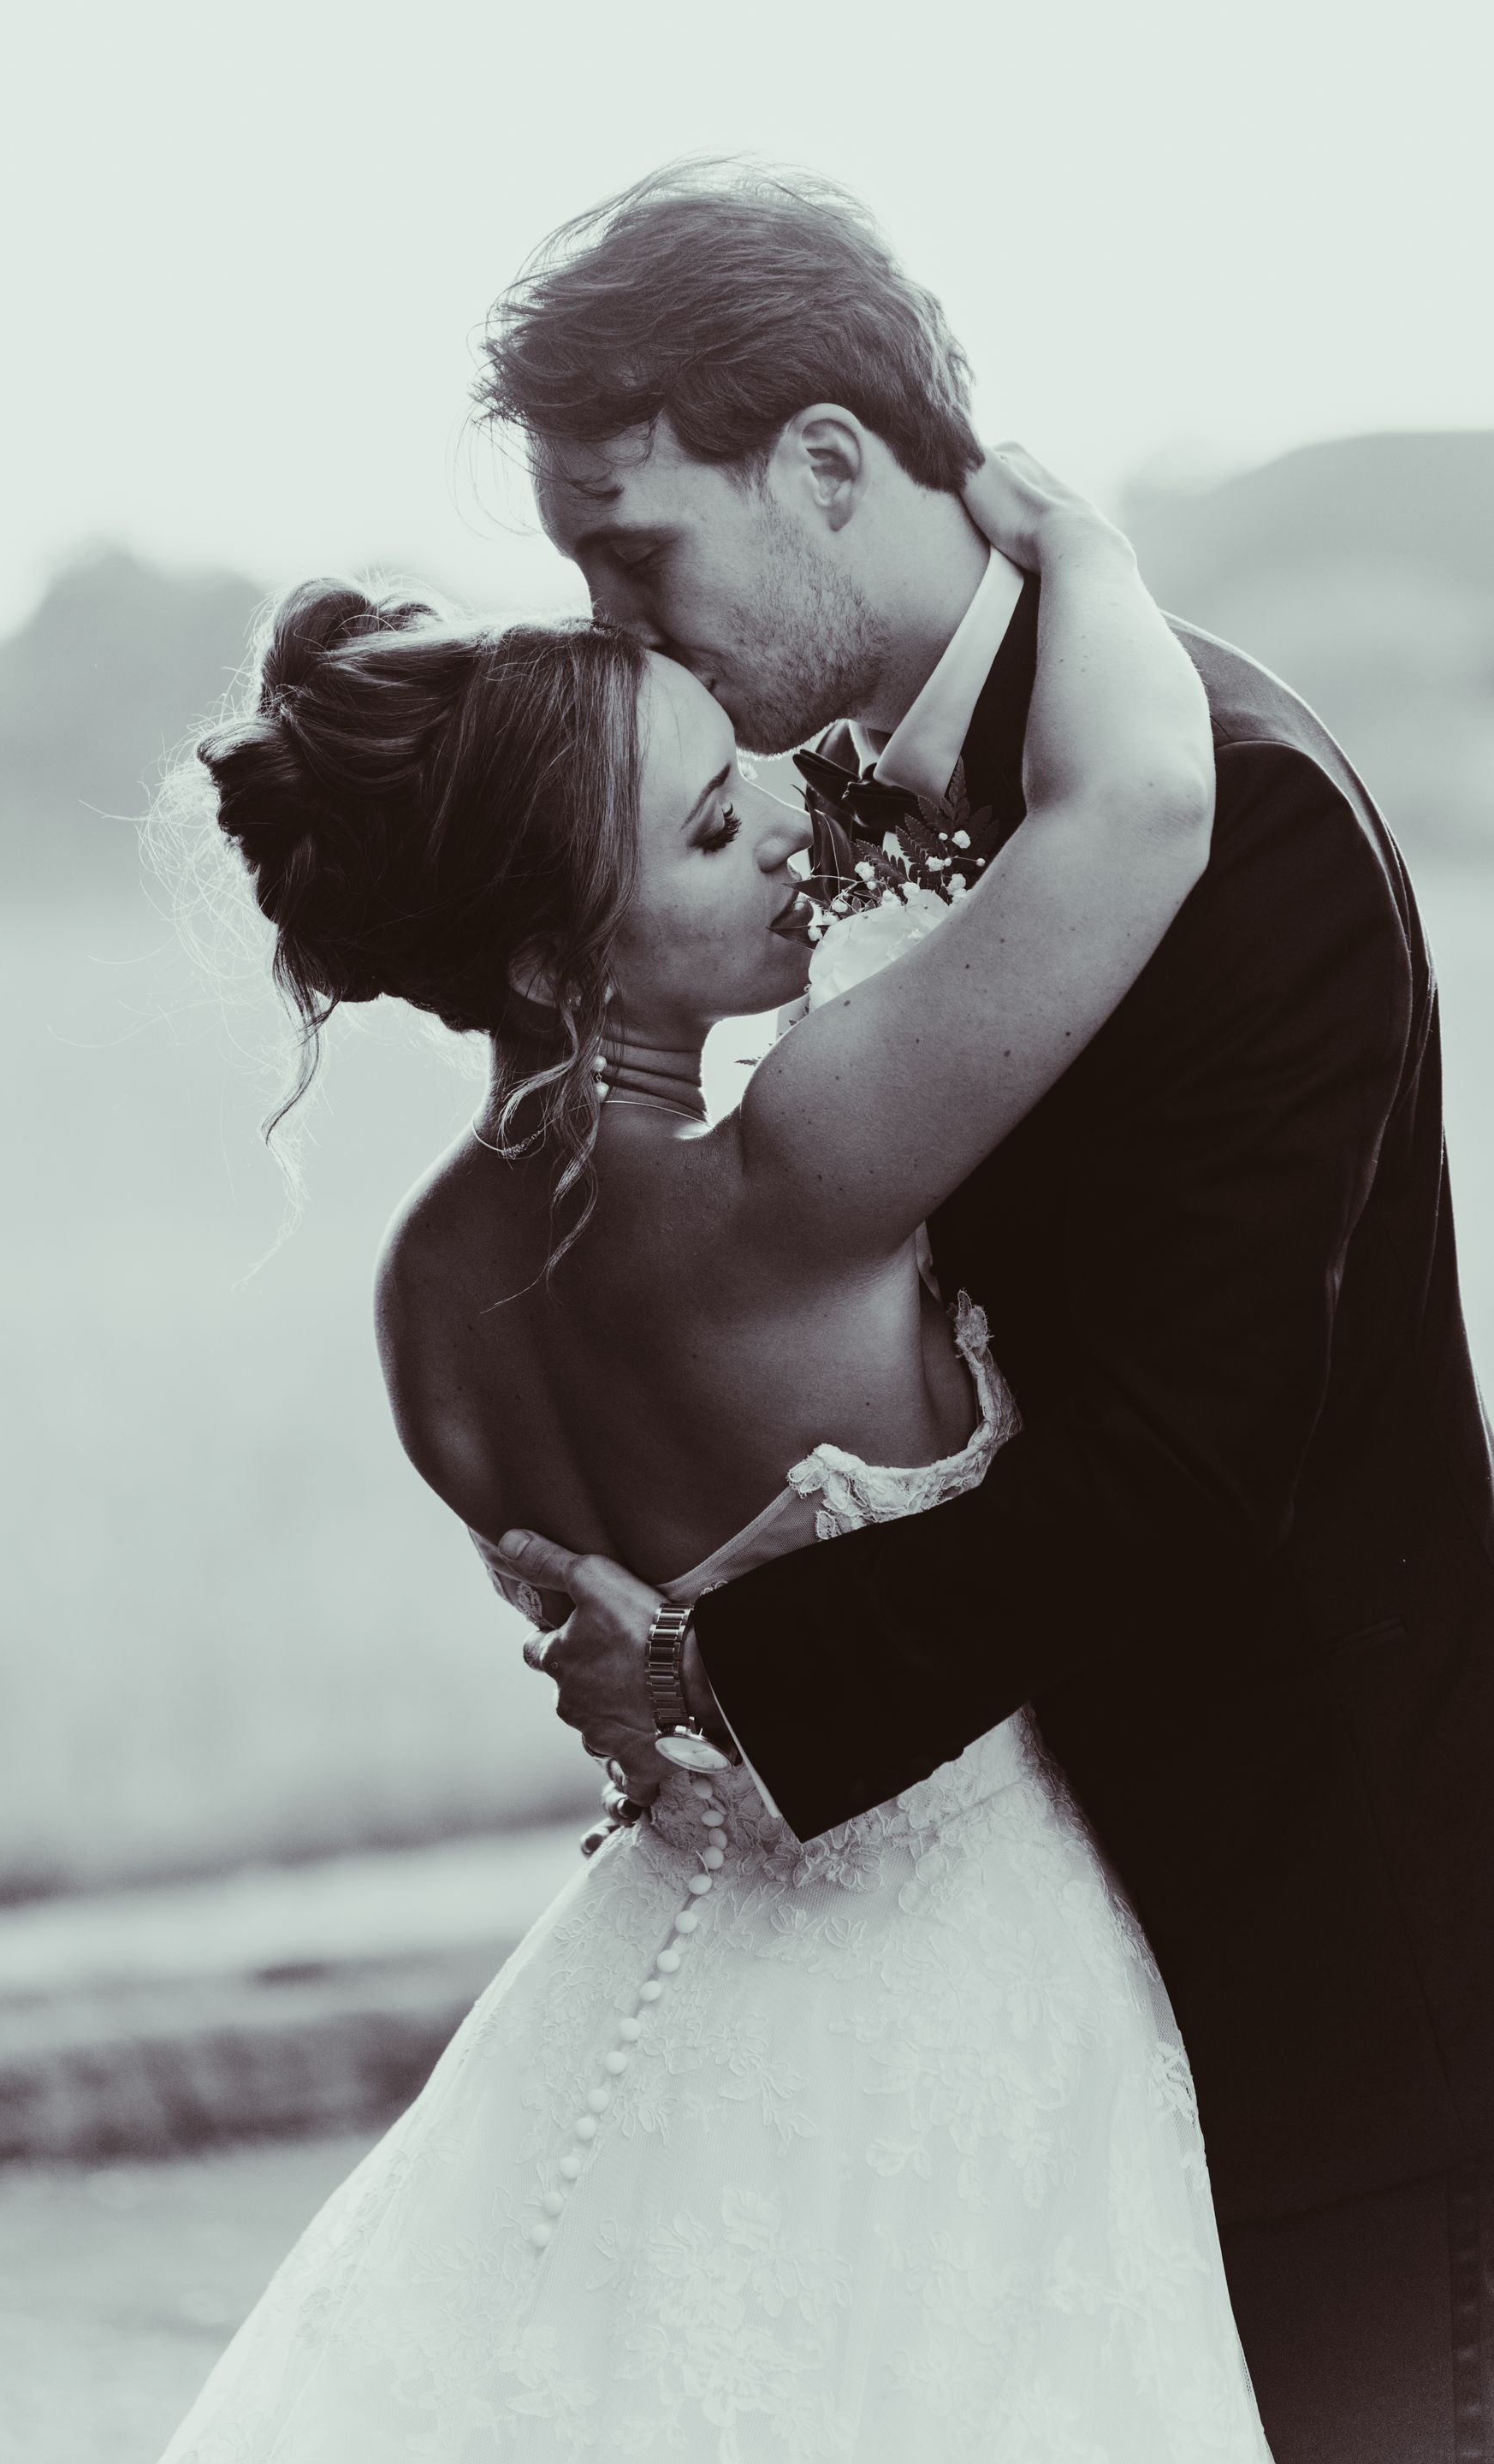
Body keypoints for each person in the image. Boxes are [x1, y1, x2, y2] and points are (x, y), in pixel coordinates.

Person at [484, 165, 1494, 2464]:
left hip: (1327, 1960)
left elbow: (1203, 1451)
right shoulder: (821, 813)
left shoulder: (1233, 826)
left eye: (633, 551)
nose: (619, 631)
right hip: (1049, 1945)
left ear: (829, 465)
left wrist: (747, 1674)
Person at [153, 443, 1280, 2459]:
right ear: (549, 959)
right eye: (706, 821)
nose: (785, 810)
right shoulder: (796, 1161)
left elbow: (624, 1644)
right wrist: (1071, 537)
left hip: (658, 1970)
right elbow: (1143, 807)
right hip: (967, 1969)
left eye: (738, 760)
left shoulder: (422, 1294)